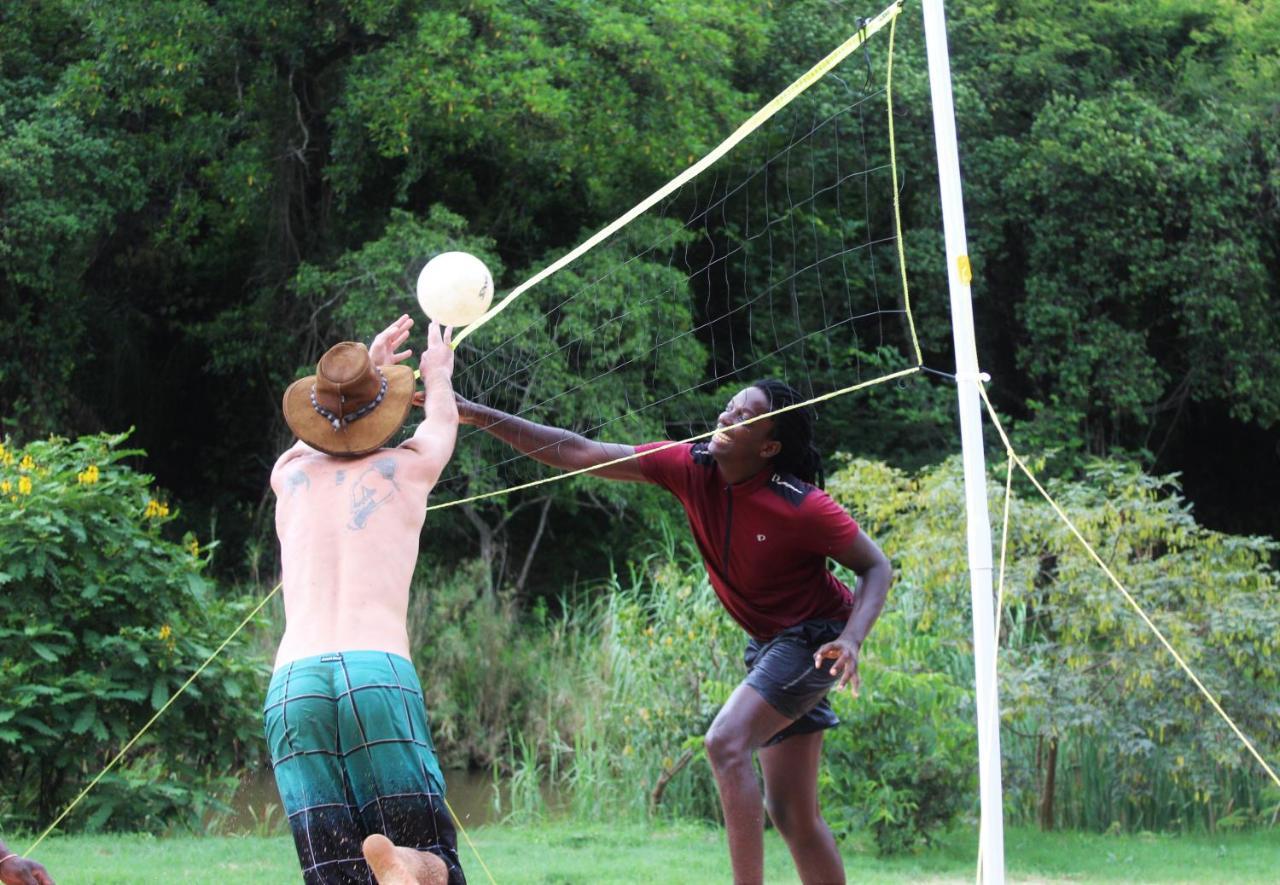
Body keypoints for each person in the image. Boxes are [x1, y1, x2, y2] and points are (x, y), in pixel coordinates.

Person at [457, 379, 892, 884]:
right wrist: (473, 412)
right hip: (771, 644)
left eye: (744, 418)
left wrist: (853, 640)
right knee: (792, 813)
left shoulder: (802, 505)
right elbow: (577, 451)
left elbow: (875, 566)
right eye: (729, 409)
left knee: (725, 743)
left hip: (815, 638)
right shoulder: (690, 466)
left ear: (769, 447)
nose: (727, 419)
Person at [266, 315, 465, 885]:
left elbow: (315, 435)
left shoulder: (290, 478)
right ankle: (407, 864)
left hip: (292, 686)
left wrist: (358, 378)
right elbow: (441, 421)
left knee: (333, 874)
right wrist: (438, 372)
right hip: (374, 672)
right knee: (434, 860)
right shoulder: (406, 468)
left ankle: (386, 869)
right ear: (384, 412)